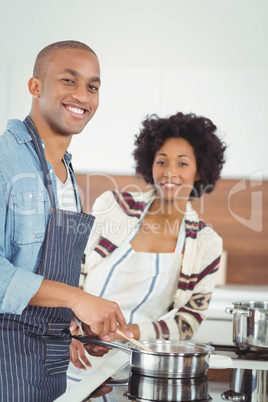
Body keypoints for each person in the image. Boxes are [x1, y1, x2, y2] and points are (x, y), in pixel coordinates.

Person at [0, 40, 133, 402]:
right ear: (35, 86)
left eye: (92, 86)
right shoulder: (4, 160)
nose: (83, 95)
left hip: (46, 366)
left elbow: (43, 274)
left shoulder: (67, 173)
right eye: (69, 80)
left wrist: (75, 321)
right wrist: (76, 297)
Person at [69, 111, 226, 370]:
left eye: (182, 163)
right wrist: (73, 327)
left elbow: (188, 320)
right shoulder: (113, 207)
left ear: (200, 171)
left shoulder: (205, 243)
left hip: (136, 363)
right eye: (161, 161)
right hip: (74, 349)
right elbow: (73, 267)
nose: (169, 172)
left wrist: (125, 333)